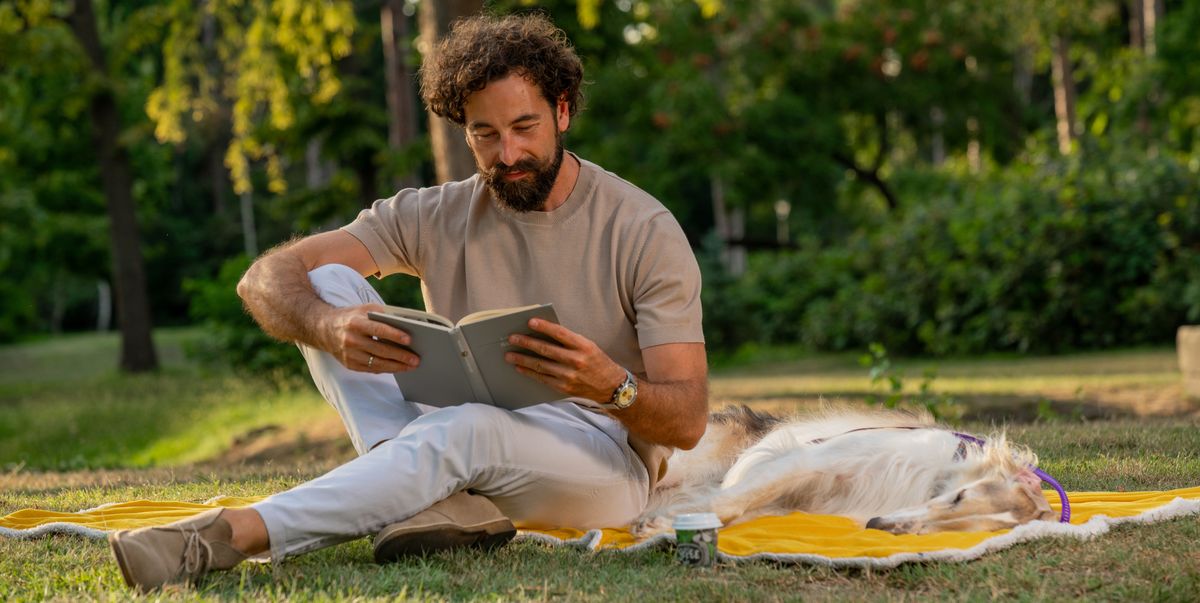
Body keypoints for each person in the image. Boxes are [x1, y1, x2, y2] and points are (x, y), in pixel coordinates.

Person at [106, 12, 708, 591]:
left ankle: (230, 534)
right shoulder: (434, 212)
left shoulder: (642, 227)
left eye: (525, 127)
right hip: (452, 428)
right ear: (463, 129)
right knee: (327, 285)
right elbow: (262, 279)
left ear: (563, 111)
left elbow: (687, 421)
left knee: (468, 427)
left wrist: (610, 384)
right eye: (485, 134)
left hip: (601, 464)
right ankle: (441, 504)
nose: (508, 154)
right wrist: (327, 323)